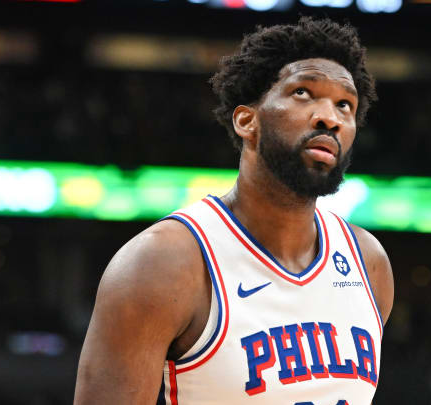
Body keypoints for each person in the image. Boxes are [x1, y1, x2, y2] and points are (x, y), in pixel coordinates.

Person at [74, 17, 394, 405]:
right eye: (304, 94)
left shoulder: (369, 263)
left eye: (345, 105)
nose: (329, 117)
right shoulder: (162, 263)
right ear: (247, 120)